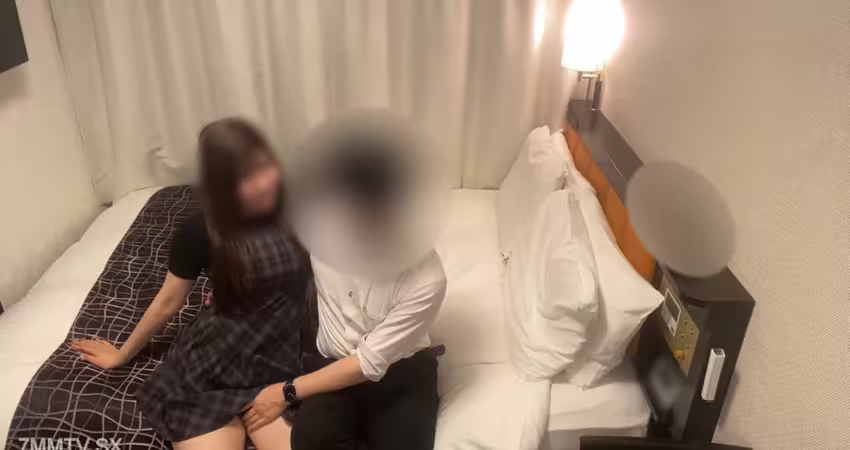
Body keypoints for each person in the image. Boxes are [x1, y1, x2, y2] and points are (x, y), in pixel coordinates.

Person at [70, 118, 314, 450]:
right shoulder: (199, 230)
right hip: (214, 365)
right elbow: (169, 301)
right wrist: (122, 355)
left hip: (278, 363)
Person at [240, 120, 447, 450]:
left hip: (401, 372)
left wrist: (286, 391)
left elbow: (367, 363)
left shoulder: (427, 280)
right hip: (331, 364)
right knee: (310, 440)